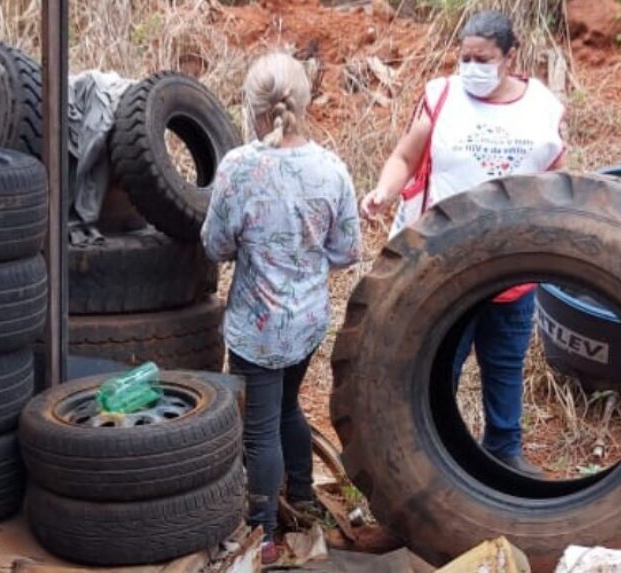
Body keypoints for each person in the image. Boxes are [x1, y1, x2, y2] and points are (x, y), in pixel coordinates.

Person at [361, 11, 565, 478]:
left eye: (483, 58)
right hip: (442, 266)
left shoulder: (544, 109)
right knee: (438, 366)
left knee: (505, 365)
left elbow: (556, 185)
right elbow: (405, 155)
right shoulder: (443, 96)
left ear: (511, 57)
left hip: (512, 268)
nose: (471, 66)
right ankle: (435, 458)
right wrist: (383, 191)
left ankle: (504, 454)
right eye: (464, 57)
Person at [201, 52, 362, 564]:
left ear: (251, 108)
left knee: (260, 429)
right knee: (289, 406)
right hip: (308, 322)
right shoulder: (331, 169)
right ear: (305, 102)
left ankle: (263, 533)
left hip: (257, 326)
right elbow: (346, 251)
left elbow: (215, 245)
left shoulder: (239, 168)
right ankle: (307, 499)